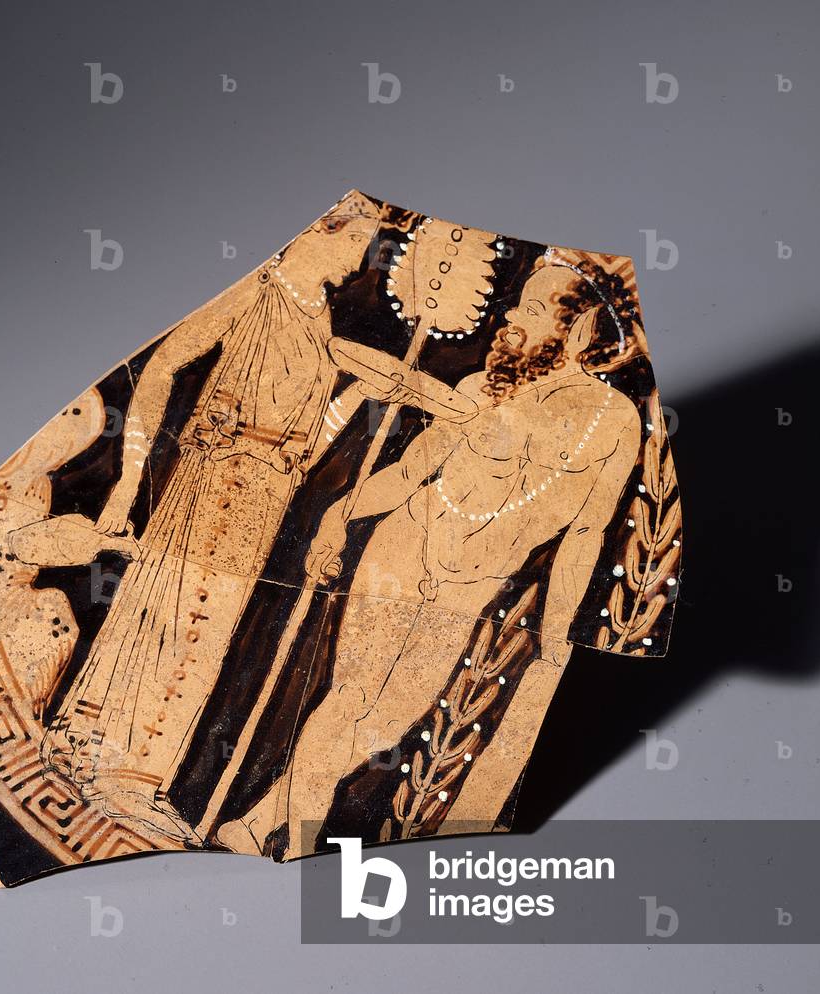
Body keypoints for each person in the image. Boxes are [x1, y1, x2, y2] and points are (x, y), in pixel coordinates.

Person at [221, 261, 642, 858]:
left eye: (533, 309)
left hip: (471, 585)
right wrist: (337, 516)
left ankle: (261, 819)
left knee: (383, 726)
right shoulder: (479, 394)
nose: (511, 319)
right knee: (349, 700)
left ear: (579, 331)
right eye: (517, 304)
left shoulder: (615, 424)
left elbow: (587, 532)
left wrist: (556, 632)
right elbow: (410, 473)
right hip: (405, 548)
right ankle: (301, 852)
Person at [38, 191, 399, 842]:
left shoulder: (319, 321)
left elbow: (306, 438)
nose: (356, 264)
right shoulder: (257, 289)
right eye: (353, 244)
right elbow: (162, 371)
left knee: (209, 634)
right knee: (172, 614)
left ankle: (141, 775)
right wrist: (126, 479)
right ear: (321, 229)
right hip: (217, 481)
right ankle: (94, 752)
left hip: (264, 497)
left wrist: (357, 397)